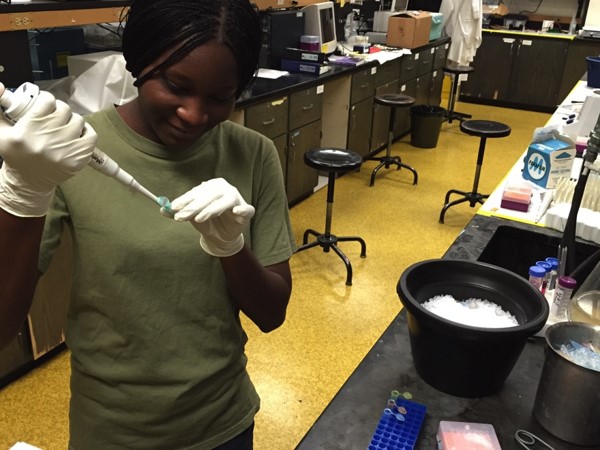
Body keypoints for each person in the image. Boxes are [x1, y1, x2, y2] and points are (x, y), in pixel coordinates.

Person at [0, 0, 296, 448]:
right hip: (113, 431)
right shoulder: (71, 152)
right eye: (176, 86)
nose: (194, 115)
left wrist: (230, 248)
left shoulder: (253, 153)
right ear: (138, 62)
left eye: (220, 97)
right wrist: (23, 192)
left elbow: (272, 314)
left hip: (223, 424)